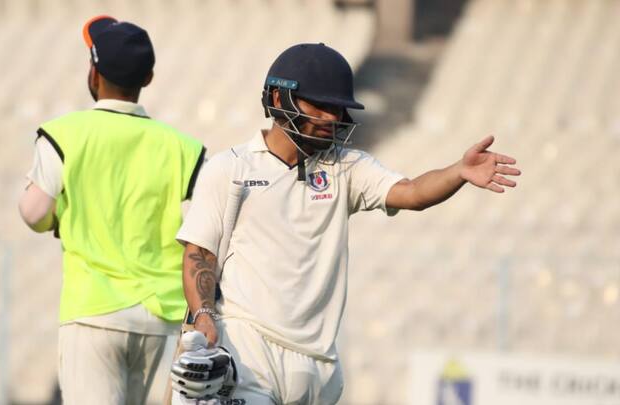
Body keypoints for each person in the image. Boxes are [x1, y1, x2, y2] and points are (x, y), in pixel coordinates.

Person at [170, 43, 521, 404]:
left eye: (337, 108)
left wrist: (458, 172)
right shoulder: (230, 169)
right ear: (278, 97)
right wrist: (204, 315)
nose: (331, 117)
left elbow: (412, 193)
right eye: (319, 105)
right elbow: (200, 254)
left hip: (319, 366)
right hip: (248, 351)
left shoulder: (346, 166)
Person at [18, 15, 205, 405]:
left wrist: (59, 218)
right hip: (162, 316)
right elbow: (206, 227)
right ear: (148, 78)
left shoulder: (65, 134)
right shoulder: (183, 147)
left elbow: (34, 212)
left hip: (93, 310)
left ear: (93, 72)